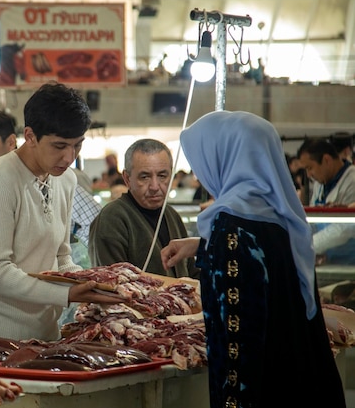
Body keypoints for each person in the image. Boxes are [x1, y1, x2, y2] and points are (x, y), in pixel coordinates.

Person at [160, 111, 346, 408]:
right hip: (304, 381)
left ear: (224, 156)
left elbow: (237, 337)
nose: (199, 174)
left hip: (266, 388)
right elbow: (264, 263)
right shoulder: (280, 214)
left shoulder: (230, 224)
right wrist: (203, 246)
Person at [0, 82, 126, 341]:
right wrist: (65, 295)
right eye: (59, 146)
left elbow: (62, 257)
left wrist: (96, 282)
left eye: (77, 145)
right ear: (30, 136)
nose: (69, 157)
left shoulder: (66, 180)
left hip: (48, 335)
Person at [88, 139, 199, 278]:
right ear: (127, 179)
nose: (154, 186)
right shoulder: (111, 219)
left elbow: (191, 274)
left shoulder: (172, 215)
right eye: (145, 177)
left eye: (162, 176)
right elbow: (110, 286)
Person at [297, 137, 355, 265]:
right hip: (325, 262)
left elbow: (344, 228)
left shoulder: (352, 181)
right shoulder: (321, 182)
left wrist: (307, 247)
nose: (309, 175)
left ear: (326, 160)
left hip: (348, 266)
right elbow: (314, 221)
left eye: (310, 168)